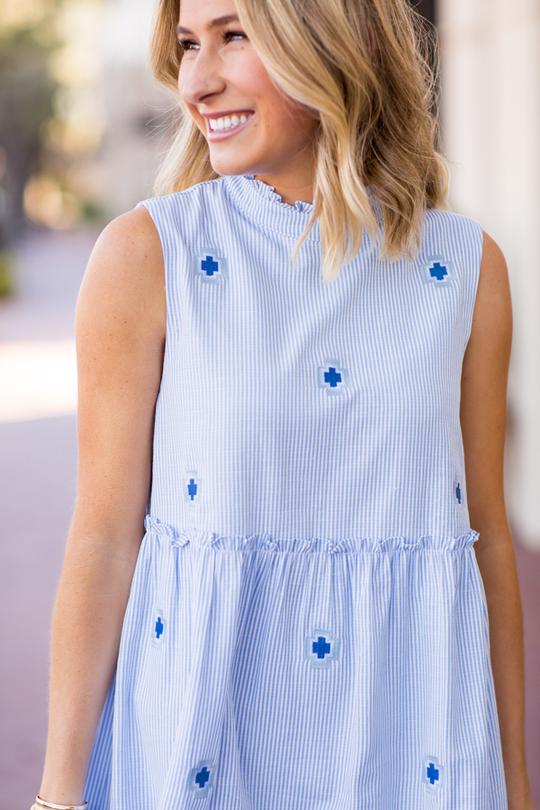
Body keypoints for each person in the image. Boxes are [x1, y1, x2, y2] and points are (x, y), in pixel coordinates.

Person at [33, 0, 534, 807]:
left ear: (332, 39)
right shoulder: (150, 255)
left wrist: (515, 782)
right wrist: (57, 796)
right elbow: (103, 539)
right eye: (189, 45)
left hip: (416, 736)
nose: (197, 82)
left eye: (234, 36)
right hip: (209, 735)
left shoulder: (466, 267)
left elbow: (487, 541)